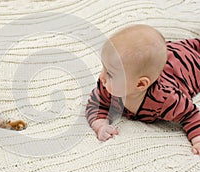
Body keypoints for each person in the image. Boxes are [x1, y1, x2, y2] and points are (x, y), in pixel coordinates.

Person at [86, 24, 200, 155]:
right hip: (170, 52)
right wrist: (100, 125)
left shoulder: (166, 99)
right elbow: (95, 105)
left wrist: (197, 139)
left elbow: (190, 115)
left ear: (140, 84)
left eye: (110, 73)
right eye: (104, 68)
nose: (101, 77)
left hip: (188, 62)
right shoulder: (107, 89)